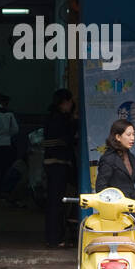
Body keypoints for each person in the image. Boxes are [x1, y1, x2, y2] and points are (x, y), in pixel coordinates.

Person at [94, 118, 135, 269]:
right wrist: (114, 203)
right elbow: (101, 188)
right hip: (117, 212)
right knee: (120, 248)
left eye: (133, 135)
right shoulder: (108, 159)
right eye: (128, 134)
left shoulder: (131, 156)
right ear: (117, 137)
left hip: (133, 207)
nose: (132, 138)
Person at [43, 89, 76, 248]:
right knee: (58, 203)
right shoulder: (61, 119)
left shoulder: (52, 117)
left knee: (53, 202)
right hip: (59, 164)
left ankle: (53, 237)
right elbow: (65, 141)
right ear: (65, 102)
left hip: (51, 164)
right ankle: (56, 238)